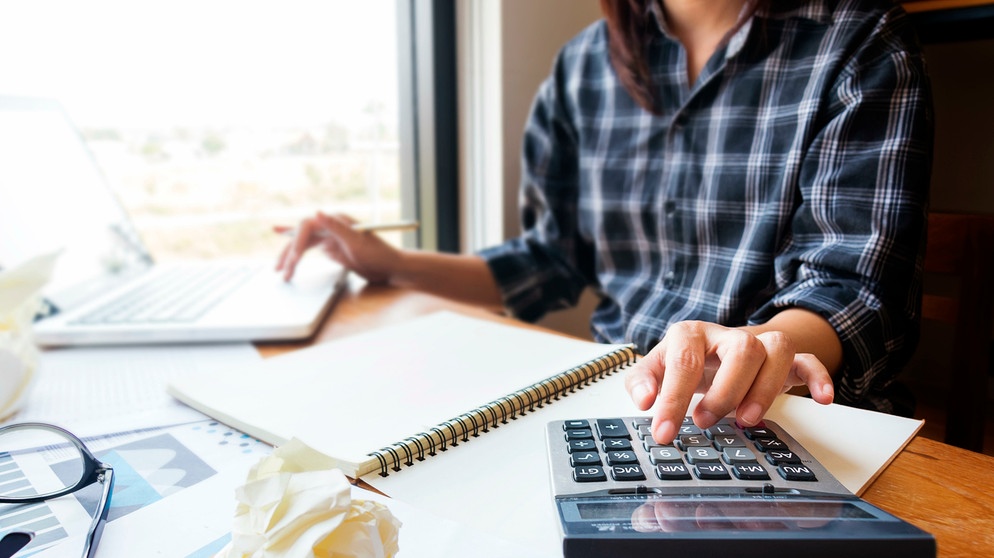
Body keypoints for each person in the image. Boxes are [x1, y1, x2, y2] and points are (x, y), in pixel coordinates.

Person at [275, 0, 933, 446]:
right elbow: (549, 260)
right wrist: (385, 262)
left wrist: (760, 344)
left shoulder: (860, 41)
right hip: (621, 405)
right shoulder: (584, 64)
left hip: (788, 419)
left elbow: (853, 286)